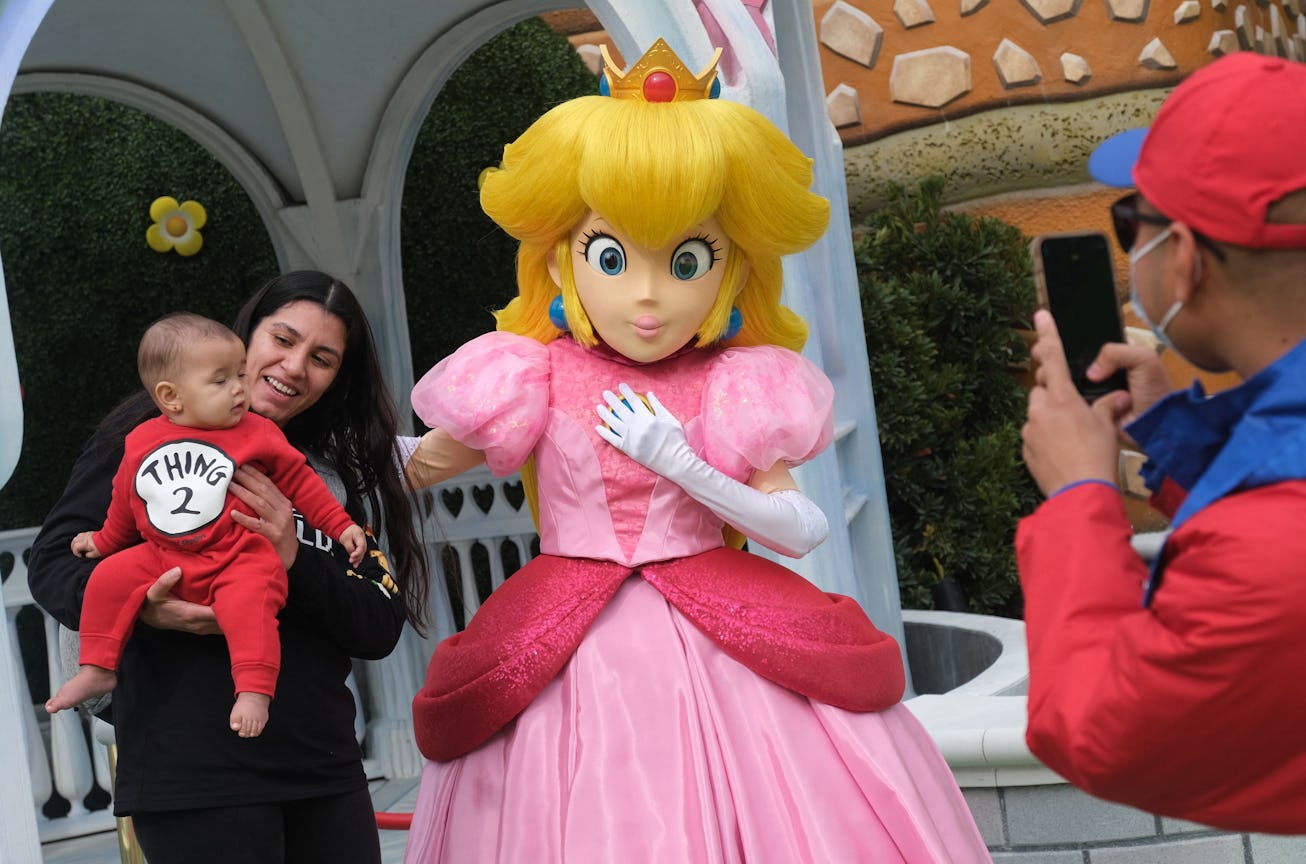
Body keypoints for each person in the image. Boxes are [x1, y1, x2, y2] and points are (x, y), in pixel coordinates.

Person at [400, 39, 988, 862]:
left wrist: (683, 463)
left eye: (685, 260)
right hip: (563, 636)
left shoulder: (738, 382)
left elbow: (800, 526)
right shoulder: (528, 374)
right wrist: (295, 454)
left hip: (725, 619)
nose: (647, 295)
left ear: (731, 268)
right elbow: (414, 466)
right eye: (611, 255)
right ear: (563, 257)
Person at [28, 271, 430, 863]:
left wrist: (294, 561)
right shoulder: (144, 439)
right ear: (249, 334)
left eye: (322, 358)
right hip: (191, 773)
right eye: (283, 339)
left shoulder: (329, 472)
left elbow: (378, 622)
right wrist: (147, 607)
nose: (294, 367)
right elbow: (56, 561)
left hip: (324, 768)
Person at [1019, 52, 1306, 834]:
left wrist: (1079, 494)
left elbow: (1104, 733)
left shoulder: (1269, 553)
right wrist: (1169, 429)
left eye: (1129, 225)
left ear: (1180, 259)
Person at [47, 313, 366, 738]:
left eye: (238, 374)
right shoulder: (140, 440)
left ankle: (254, 689)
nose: (238, 388)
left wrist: (338, 524)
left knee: (252, 602)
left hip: (240, 556)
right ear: (171, 397)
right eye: (221, 382)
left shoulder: (257, 432)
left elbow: (301, 482)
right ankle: (97, 668)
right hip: (165, 556)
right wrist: (104, 542)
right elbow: (127, 501)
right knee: (107, 578)